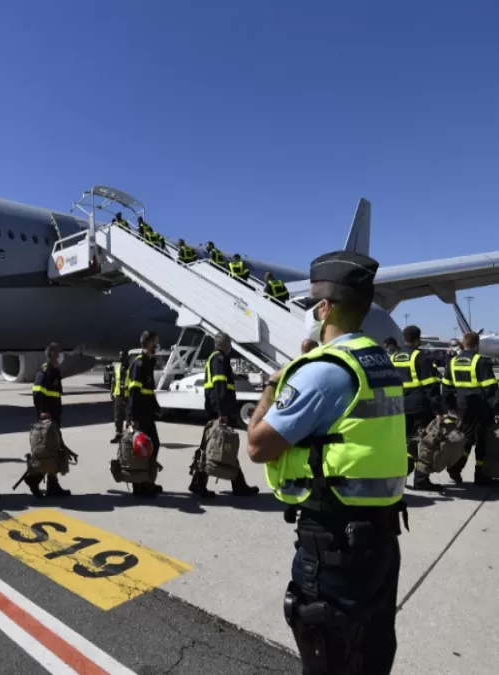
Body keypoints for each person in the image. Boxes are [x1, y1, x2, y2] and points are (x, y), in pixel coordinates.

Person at [246, 250, 408, 675]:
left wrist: (273, 385)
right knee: (369, 658)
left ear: (324, 308)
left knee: (329, 661)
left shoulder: (320, 371)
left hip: (334, 549)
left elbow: (258, 445)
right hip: (380, 539)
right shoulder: (379, 361)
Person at [188, 334, 259, 498]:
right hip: (219, 412)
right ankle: (237, 486)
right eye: (229, 343)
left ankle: (200, 483)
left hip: (216, 411)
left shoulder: (215, 358)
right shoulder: (219, 359)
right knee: (222, 446)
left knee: (210, 447)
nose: (230, 346)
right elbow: (220, 387)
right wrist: (222, 414)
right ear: (224, 343)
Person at [391, 325, 444, 491]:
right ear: (418, 339)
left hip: (399, 406)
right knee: (425, 443)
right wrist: (438, 411)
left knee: (405, 442)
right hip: (419, 407)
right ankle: (421, 480)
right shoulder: (420, 357)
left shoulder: (394, 357)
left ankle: (400, 477)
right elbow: (431, 387)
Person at [442, 331, 499, 486]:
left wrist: (449, 407)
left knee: (466, 438)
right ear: (477, 344)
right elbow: (490, 389)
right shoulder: (480, 361)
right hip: (481, 406)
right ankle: (480, 474)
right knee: (482, 440)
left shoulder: (453, 362)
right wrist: (497, 409)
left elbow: (446, 387)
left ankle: (456, 466)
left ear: (463, 343)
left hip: (463, 406)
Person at [26, 342, 72, 498]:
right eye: (59, 352)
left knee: (55, 451)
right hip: (48, 418)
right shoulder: (46, 370)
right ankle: (34, 479)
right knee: (47, 452)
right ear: (52, 353)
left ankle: (53, 485)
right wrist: (43, 413)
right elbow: (37, 393)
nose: (61, 355)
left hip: (55, 416)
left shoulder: (55, 371)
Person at [126, 330, 163, 497]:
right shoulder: (139, 364)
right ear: (148, 343)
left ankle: (146, 482)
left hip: (147, 414)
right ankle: (141, 484)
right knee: (145, 448)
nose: (156, 345)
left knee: (151, 446)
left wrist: (157, 407)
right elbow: (134, 393)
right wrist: (133, 419)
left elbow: (148, 391)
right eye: (155, 342)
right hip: (140, 415)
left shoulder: (148, 363)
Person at [109, 349, 130, 444]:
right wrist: (111, 391)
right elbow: (113, 380)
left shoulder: (131, 368)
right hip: (118, 394)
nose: (121, 357)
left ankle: (127, 436)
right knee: (118, 416)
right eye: (120, 355)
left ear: (127, 357)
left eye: (123, 355)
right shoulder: (116, 367)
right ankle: (118, 435)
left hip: (127, 395)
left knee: (128, 417)